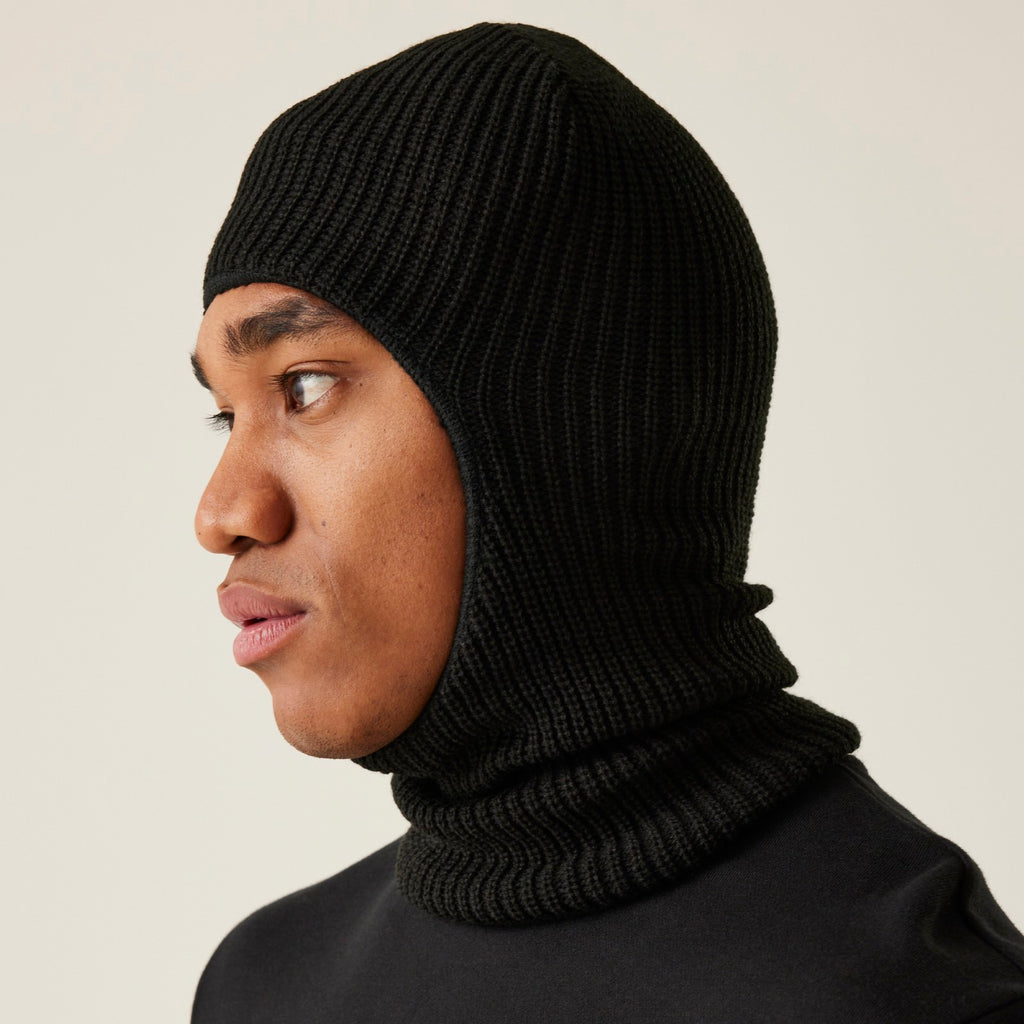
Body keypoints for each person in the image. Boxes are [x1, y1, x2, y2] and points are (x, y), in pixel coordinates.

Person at [189, 23, 1024, 1023]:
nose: (221, 512)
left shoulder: (922, 1000)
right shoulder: (265, 985)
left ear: (559, 426)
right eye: (224, 414)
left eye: (306, 386)